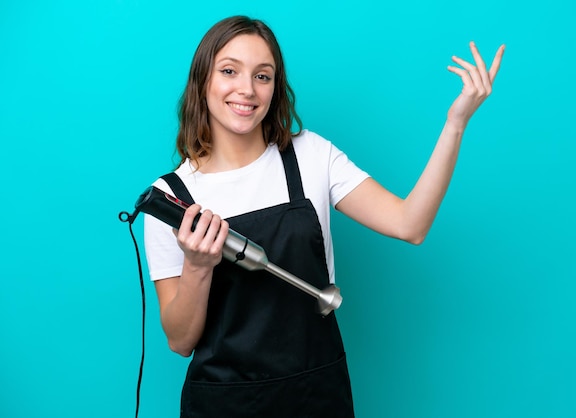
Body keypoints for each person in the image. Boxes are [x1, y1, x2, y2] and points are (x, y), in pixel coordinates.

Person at [144, 15, 504, 418]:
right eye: (229, 71)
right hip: (224, 403)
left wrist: (456, 123)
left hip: (316, 394)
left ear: (275, 87)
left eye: (263, 76)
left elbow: (410, 224)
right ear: (202, 81)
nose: (246, 89)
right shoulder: (172, 200)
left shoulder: (310, 156)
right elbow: (180, 340)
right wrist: (197, 265)